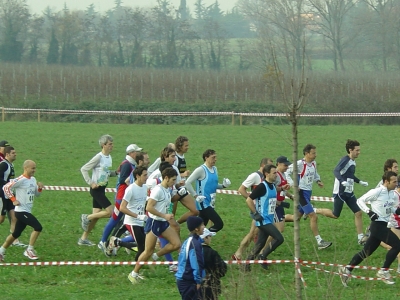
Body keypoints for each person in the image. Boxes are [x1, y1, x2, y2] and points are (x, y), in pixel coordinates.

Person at [339, 171, 400, 286]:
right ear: (386, 182)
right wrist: (369, 212)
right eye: (394, 182)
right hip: (377, 225)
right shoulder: (376, 192)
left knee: (366, 252)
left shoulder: (391, 193)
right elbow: (360, 200)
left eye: (397, 181)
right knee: (397, 245)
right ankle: (383, 271)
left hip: (382, 225)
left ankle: (346, 270)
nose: (396, 184)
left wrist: (396, 211)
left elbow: (389, 208)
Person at [128, 167, 181, 284]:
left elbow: (169, 201)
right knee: (147, 251)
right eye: (173, 180)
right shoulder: (157, 190)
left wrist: (180, 194)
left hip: (163, 222)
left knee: (176, 244)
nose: (174, 182)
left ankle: (156, 256)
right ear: (166, 178)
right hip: (154, 223)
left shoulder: (167, 189)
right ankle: (133, 274)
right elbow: (149, 207)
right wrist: (164, 215)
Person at [314, 140, 369, 245]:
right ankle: (315, 210)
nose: (359, 152)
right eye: (357, 150)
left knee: (358, 213)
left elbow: (349, 174)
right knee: (335, 215)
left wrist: (360, 181)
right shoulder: (345, 160)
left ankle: (360, 238)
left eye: (359, 150)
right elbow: (336, 171)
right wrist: (342, 181)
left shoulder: (353, 161)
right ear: (350, 150)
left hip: (349, 191)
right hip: (340, 192)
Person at [97, 143, 143, 255]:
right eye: (137, 152)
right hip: (121, 198)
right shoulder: (127, 164)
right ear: (132, 153)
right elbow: (122, 180)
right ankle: (103, 241)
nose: (138, 154)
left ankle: (116, 242)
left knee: (121, 221)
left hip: (125, 197)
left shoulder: (130, 163)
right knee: (115, 220)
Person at [285, 144, 332, 250]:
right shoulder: (299, 164)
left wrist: (318, 180)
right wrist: (293, 184)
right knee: (313, 216)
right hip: (301, 194)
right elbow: (287, 172)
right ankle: (320, 241)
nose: (315, 155)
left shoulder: (314, 163)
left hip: (308, 193)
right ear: (306, 153)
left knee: (295, 218)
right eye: (313, 153)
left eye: (315, 153)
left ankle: (277, 220)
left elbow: (315, 174)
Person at [0, 160, 44, 261]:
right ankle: (29, 250)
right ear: (26, 168)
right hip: (20, 211)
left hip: (27, 211)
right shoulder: (20, 179)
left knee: (16, 234)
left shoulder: (33, 179)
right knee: (38, 227)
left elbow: (37, 195)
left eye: (35, 168)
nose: (34, 170)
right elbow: (6, 187)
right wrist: (13, 200)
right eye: (32, 168)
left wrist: (40, 188)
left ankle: (1, 251)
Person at [231, 157, 273, 260]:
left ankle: (256, 254)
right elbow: (241, 189)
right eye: (268, 167)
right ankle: (239, 254)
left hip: (266, 210)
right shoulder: (255, 176)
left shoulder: (268, 178)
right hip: (257, 210)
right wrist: (252, 201)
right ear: (263, 166)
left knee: (258, 233)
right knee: (253, 233)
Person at [244, 164, 284, 271]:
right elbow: (248, 200)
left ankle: (246, 264)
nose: (276, 175)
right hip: (263, 220)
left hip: (269, 219)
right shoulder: (262, 186)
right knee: (279, 238)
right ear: (267, 174)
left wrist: (277, 203)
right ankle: (262, 257)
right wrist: (256, 214)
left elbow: (269, 201)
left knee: (260, 244)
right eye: (274, 173)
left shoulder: (273, 186)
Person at [79, 134, 116, 246]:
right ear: (103, 145)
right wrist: (91, 182)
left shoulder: (109, 158)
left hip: (102, 189)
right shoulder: (98, 157)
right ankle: (86, 217)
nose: (112, 146)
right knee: (110, 212)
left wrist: (116, 173)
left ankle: (83, 239)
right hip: (96, 190)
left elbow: (106, 172)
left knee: (97, 216)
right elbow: (84, 169)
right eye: (109, 144)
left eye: (112, 144)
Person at [185, 149, 231, 233]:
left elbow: (213, 185)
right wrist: (196, 196)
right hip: (203, 203)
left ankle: (195, 240)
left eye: (215, 157)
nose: (215, 159)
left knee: (199, 227)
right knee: (219, 224)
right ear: (206, 158)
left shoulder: (215, 169)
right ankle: (204, 237)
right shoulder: (200, 170)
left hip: (210, 202)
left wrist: (224, 185)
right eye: (213, 157)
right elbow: (187, 183)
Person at [118, 166, 148, 261]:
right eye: (145, 175)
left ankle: (119, 243)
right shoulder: (130, 189)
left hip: (140, 221)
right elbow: (122, 207)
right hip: (131, 222)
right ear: (137, 176)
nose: (147, 177)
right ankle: (136, 270)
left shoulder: (144, 187)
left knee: (145, 245)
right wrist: (138, 216)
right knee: (142, 247)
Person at [0, 146, 26, 247]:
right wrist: (8, 184)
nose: (15, 154)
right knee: (1, 219)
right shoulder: (3, 165)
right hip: (2, 195)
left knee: (14, 216)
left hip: (9, 195)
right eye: (13, 153)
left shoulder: (11, 165)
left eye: (15, 152)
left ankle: (14, 240)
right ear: (7, 155)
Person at [175, 216, 205, 300]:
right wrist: (198, 281)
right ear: (196, 229)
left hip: (183, 279)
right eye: (202, 225)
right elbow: (196, 263)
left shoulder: (189, 241)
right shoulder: (194, 244)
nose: (204, 227)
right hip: (188, 280)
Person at [200, 228, 227, 300]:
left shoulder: (191, 251)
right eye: (209, 236)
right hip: (211, 285)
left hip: (194, 286)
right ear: (205, 238)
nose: (210, 239)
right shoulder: (212, 253)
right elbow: (222, 268)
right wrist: (216, 276)